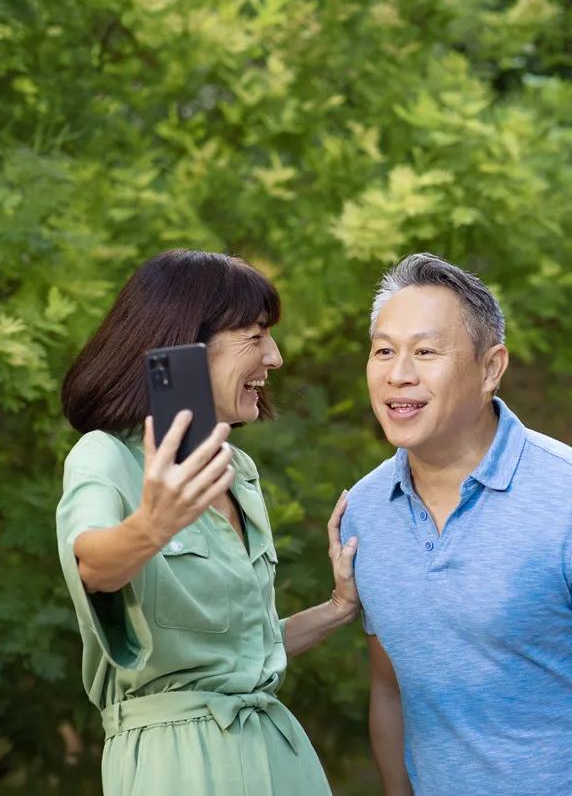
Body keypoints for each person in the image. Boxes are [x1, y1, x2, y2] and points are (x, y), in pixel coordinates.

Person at [341, 253, 572, 796]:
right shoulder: (365, 510)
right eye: (384, 351)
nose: (398, 374)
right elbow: (391, 689)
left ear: (491, 368)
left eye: (426, 351)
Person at [55, 249, 359, 796]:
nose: (276, 357)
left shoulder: (238, 472)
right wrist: (151, 525)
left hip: (279, 752)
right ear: (187, 345)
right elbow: (93, 565)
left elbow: (242, 656)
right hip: (177, 768)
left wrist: (340, 607)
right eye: (256, 335)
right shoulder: (103, 457)